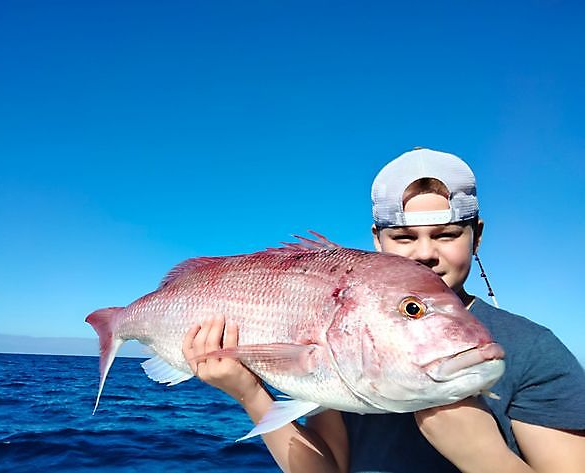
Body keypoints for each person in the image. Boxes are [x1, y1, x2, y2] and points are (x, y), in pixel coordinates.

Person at [182, 148, 585, 472]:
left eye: (447, 234)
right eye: (404, 237)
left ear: (476, 236)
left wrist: (483, 457)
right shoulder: (343, 336)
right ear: (377, 239)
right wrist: (252, 395)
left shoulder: (534, 351)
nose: (426, 253)